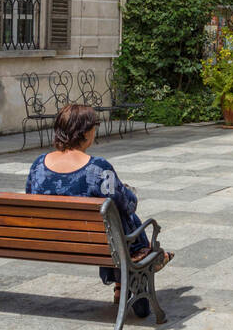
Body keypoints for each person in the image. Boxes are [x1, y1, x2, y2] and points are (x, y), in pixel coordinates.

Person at [26, 104, 173, 316]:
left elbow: (31, 198)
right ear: (85, 133)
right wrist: (129, 191)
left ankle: (125, 281)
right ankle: (148, 258)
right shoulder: (97, 168)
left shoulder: (39, 164)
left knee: (112, 222)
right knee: (124, 221)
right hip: (99, 244)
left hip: (55, 241)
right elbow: (128, 205)